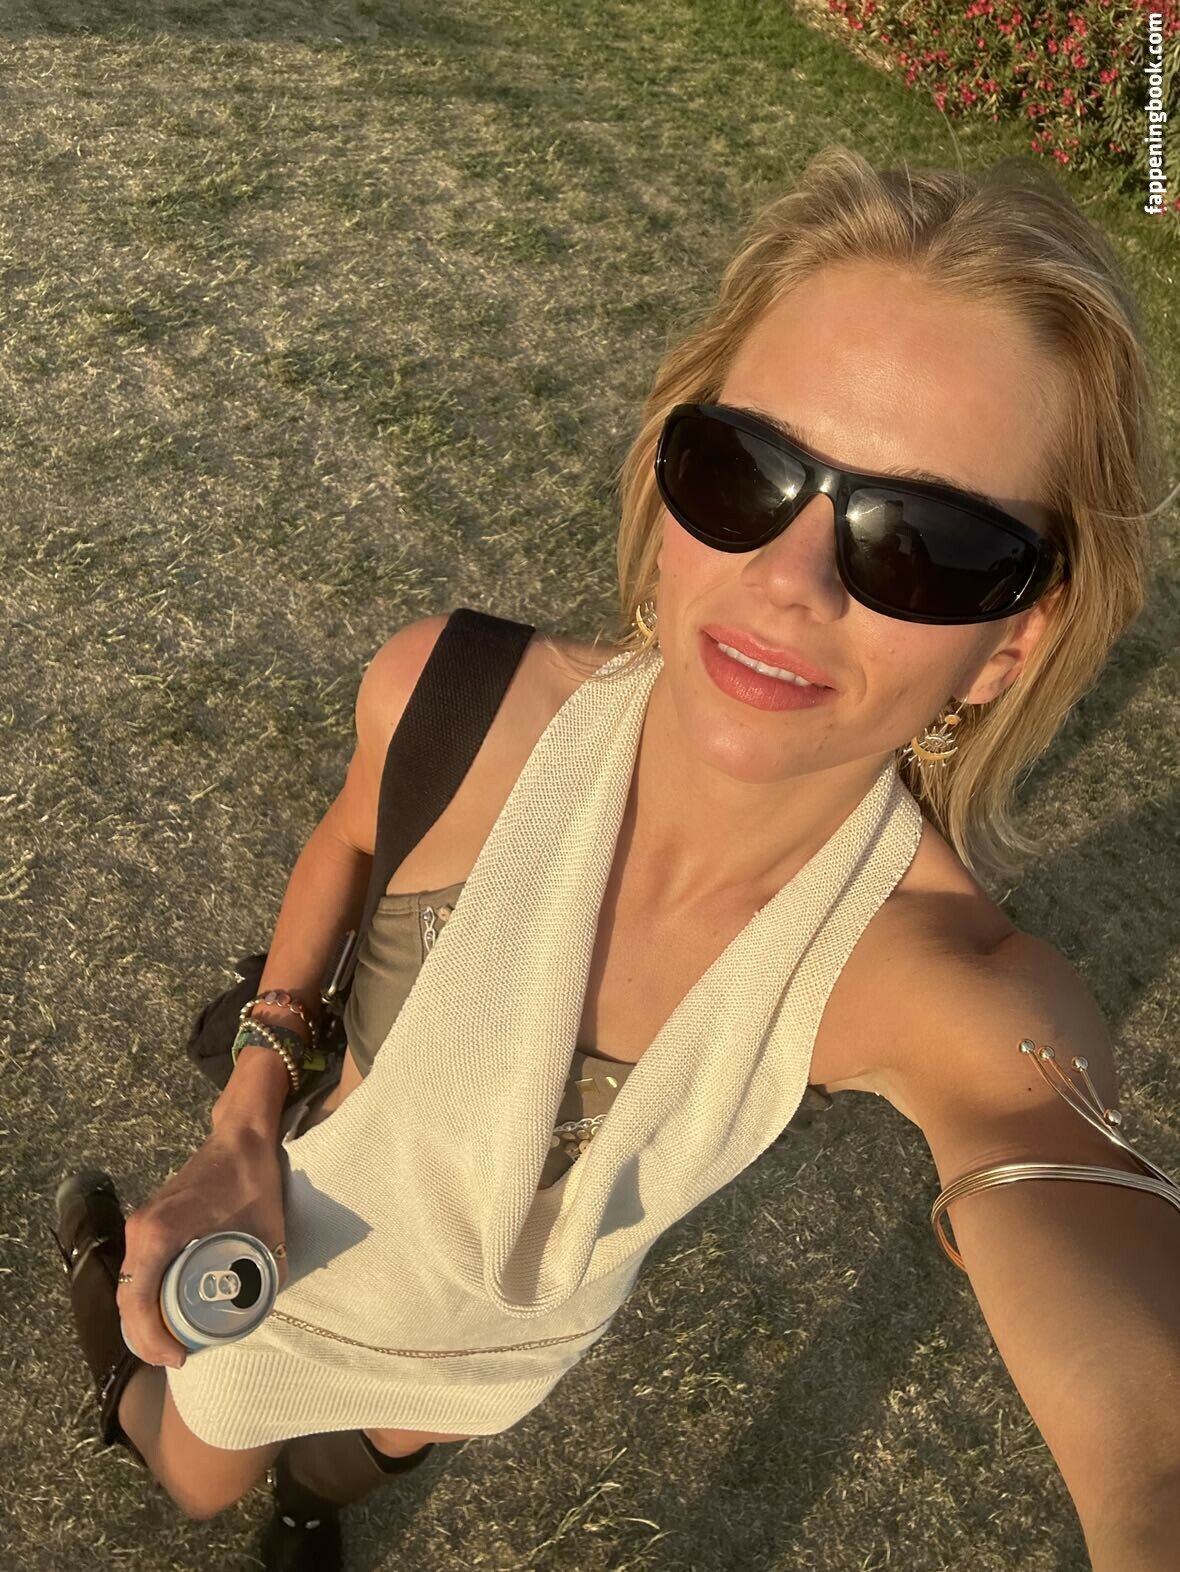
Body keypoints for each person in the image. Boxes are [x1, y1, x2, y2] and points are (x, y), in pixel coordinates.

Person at [52, 144, 1178, 1572]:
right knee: (195, 1477)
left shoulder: (936, 980)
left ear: (1010, 641)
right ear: (668, 468)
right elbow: (348, 838)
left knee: (380, 1445)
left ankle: (315, 1500)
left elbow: (1130, 1372)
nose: (788, 580)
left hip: (504, 1342)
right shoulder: (453, 700)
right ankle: (109, 1323)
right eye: (746, 471)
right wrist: (248, 1109)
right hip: (298, 1249)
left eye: (926, 543)